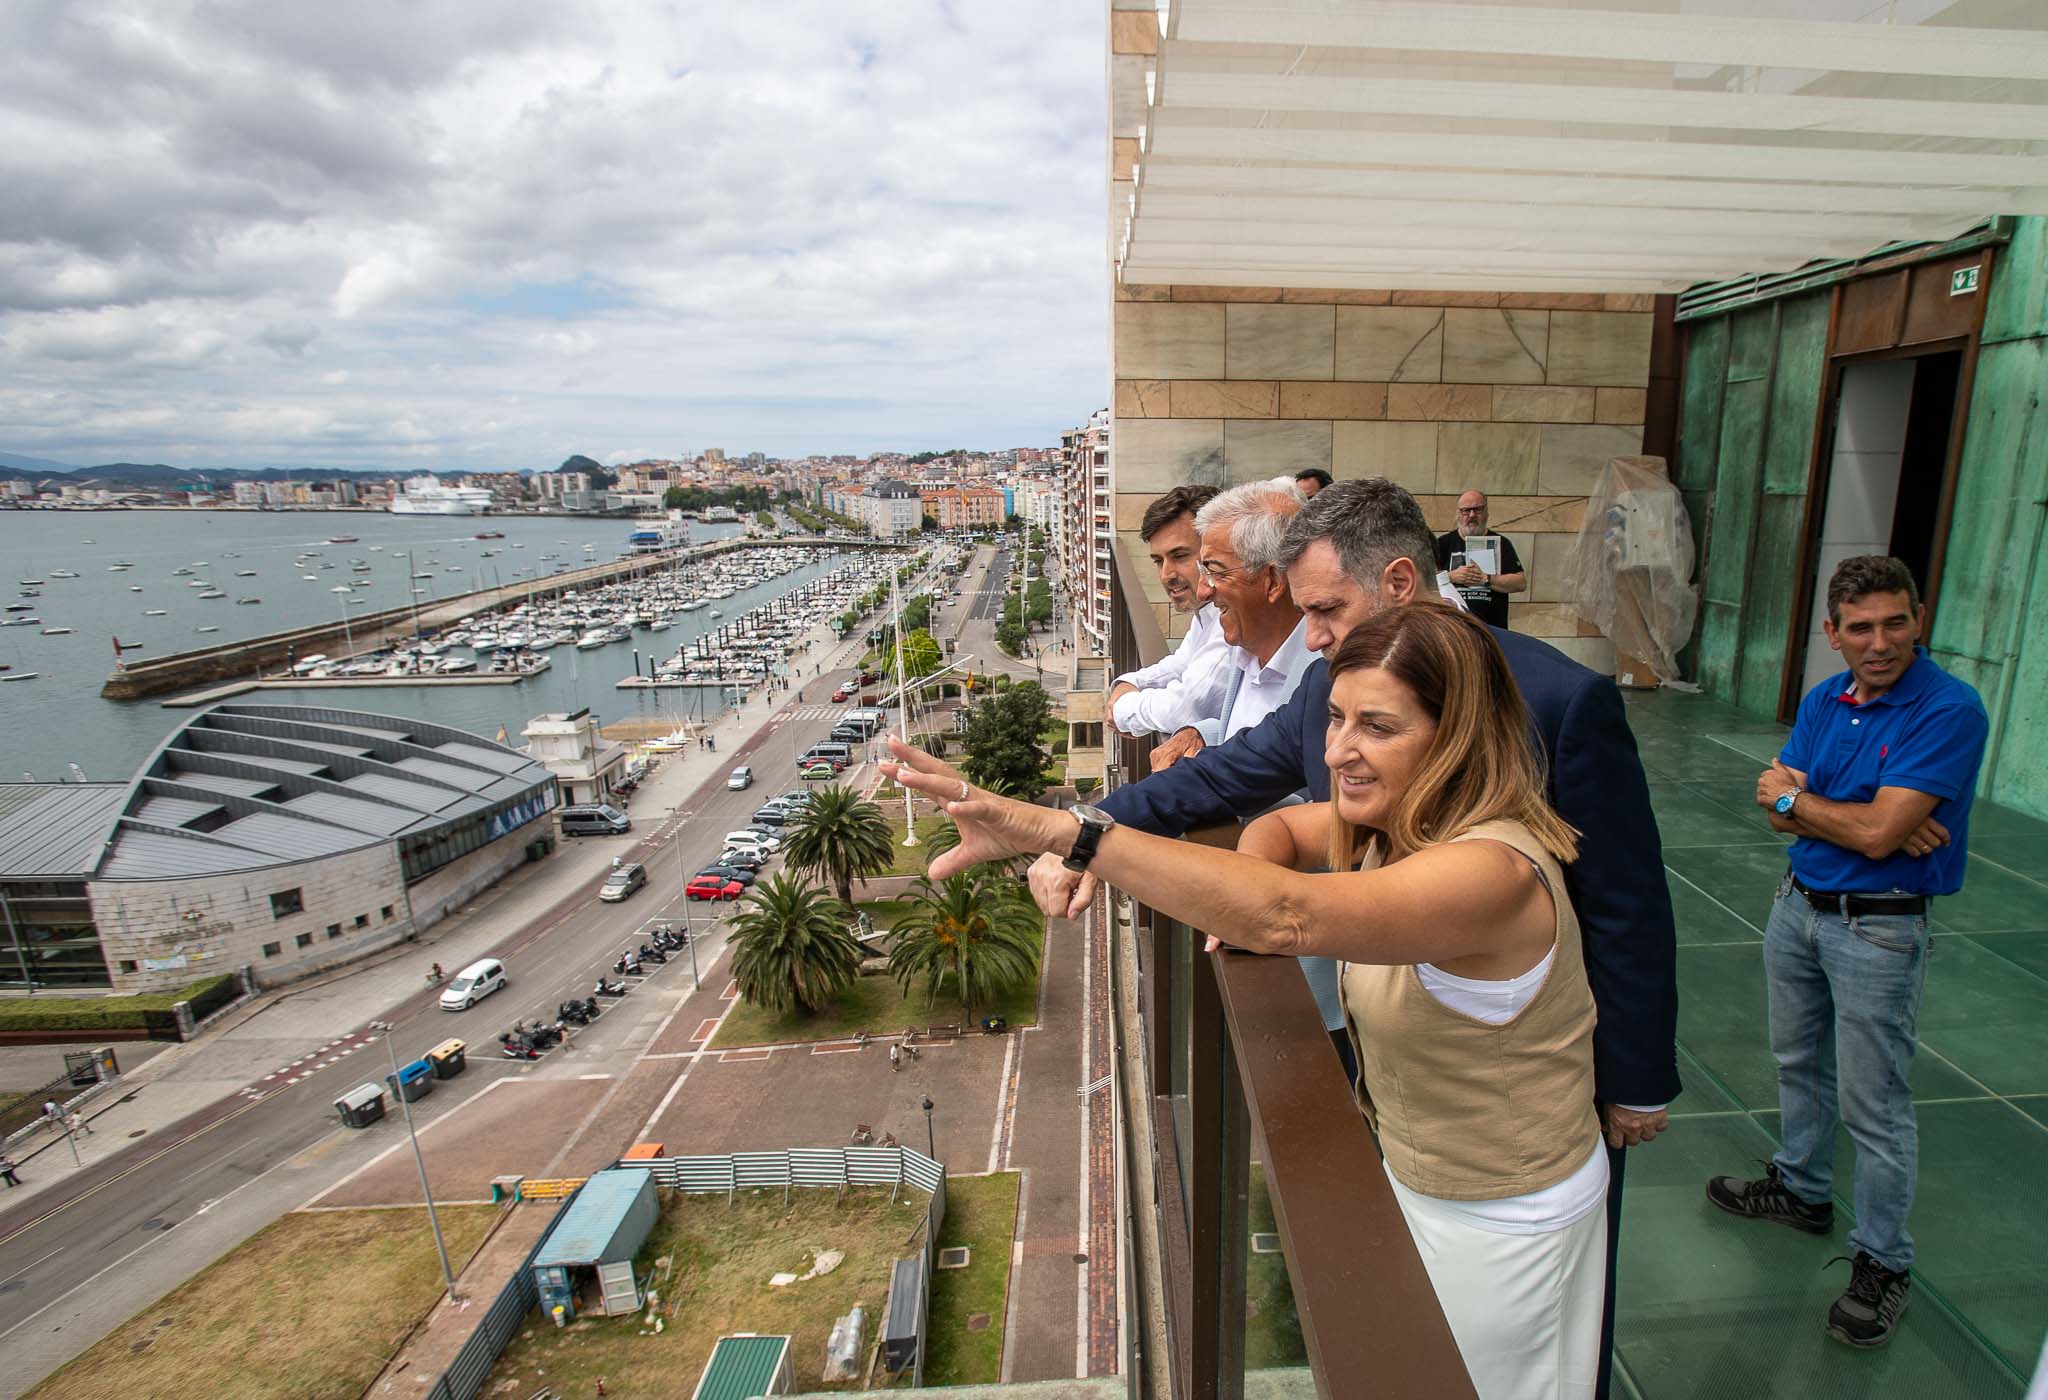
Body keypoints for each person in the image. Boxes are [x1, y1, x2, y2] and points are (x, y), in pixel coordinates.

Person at [1028, 477, 1678, 1400]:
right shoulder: (1331, 684)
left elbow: (1625, 905)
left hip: (1533, 1108)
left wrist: (1633, 1078)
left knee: (1550, 1345)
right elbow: (1231, 781)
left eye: (1327, 610)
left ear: (1400, 582)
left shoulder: (1562, 700)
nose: (1312, 637)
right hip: (1419, 1097)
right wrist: (1114, 824)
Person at [885, 604, 1609, 1399]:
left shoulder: (1491, 872)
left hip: (1507, 1218)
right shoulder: (1404, 823)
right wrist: (1251, 899)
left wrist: (1065, 833)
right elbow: (1281, 834)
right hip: (1422, 1179)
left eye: (1377, 727)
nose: (1337, 751)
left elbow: (1286, 916)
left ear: (1459, 737)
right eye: (1336, 717)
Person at [1707, 555, 1987, 1350]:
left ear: (1919, 619)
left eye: (1896, 622)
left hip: (1880, 926)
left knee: (1875, 1102)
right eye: (1860, 627)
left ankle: (1884, 1262)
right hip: (1797, 907)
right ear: (1833, 633)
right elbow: (1783, 813)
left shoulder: (1949, 709)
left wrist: (1811, 804)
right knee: (1797, 1061)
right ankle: (1801, 1189)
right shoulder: (1825, 698)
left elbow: (1859, 828)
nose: (1880, 642)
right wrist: (1850, 817)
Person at [1107, 486, 1228, 743]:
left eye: (1180, 556)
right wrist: (1129, 682)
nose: (1166, 575)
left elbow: (1186, 707)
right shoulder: (1206, 612)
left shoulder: (1230, 618)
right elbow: (1180, 664)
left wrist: (1122, 708)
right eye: (1158, 561)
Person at [1435, 490, 1526, 628]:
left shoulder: (1502, 543)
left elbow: (1520, 583)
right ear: (1457, 514)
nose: (1472, 515)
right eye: (1466, 510)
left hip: (1492, 629)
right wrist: (1451, 576)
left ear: (1487, 513)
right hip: (1453, 628)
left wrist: (1486, 579)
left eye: (1478, 510)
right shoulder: (1442, 544)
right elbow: (1425, 581)